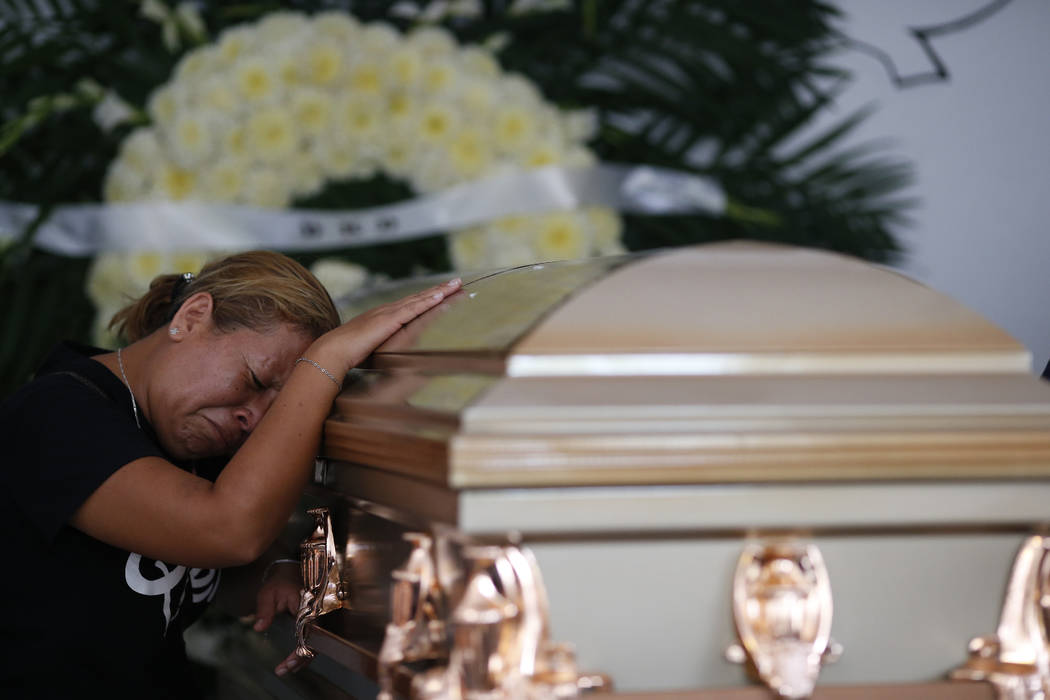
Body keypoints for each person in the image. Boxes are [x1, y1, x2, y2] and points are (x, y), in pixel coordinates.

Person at [0, 250, 461, 698]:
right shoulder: (56, 414)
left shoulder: (184, 430)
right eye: (256, 382)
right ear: (194, 316)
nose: (255, 422)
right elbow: (226, 530)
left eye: (277, 411)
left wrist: (274, 568)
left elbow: (217, 565)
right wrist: (326, 364)